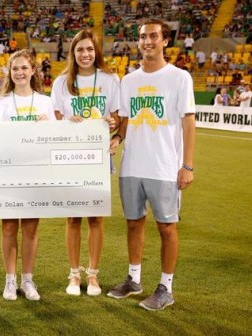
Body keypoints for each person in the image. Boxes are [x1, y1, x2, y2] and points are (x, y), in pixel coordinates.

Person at [107, 18, 196, 311]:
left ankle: (166, 287)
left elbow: (188, 121)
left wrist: (188, 165)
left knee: (167, 227)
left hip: (164, 166)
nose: (147, 41)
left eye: (154, 36)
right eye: (143, 36)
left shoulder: (179, 77)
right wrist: (117, 136)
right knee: (134, 223)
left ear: (165, 41)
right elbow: (126, 120)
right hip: (132, 164)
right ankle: (134, 279)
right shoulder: (129, 80)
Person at [50, 29, 119, 297]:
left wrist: (115, 126)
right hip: (70, 156)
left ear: (96, 51)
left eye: (90, 49)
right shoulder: (61, 82)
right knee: (73, 217)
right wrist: (66, 122)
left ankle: (93, 275)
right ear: (73, 53)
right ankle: (74, 274)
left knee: (96, 217)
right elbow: (55, 118)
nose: (85, 54)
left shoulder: (110, 80)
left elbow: (116, 116)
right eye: (80, 50)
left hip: (98, 157)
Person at [0, 49, 56, 301]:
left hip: (35, 172)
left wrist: (46, 127)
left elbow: (53, 139)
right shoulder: (1, 103)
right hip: (8, 173)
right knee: (8, 228)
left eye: (24, 68)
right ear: (10, 72)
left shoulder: (45, 102)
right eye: (15, 68)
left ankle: (28, 280)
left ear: (32, 71)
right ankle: (10, 280)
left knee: (30, 228)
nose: (19, 72)